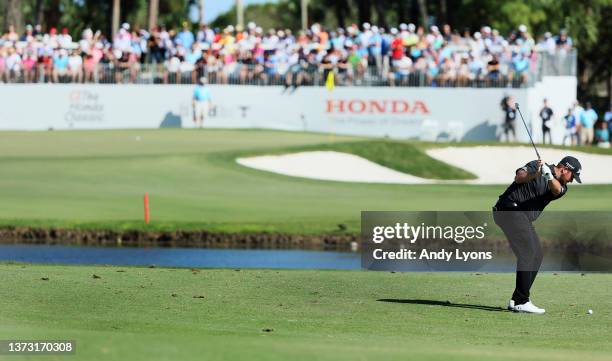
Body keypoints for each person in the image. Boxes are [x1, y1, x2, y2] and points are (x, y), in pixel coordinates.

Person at [493, 156, 582, 314]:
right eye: (572, 176)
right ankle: (522, 300)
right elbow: (519, 177)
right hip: (509, 209)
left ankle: (516, 299)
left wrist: (548, 176)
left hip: (521, 217)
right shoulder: (537, 165)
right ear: (564, 169)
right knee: (528, 252)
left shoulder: (562, 186)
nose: (572, 180)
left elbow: (556, 190)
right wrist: (535, 174)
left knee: (537, 255)